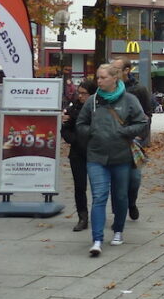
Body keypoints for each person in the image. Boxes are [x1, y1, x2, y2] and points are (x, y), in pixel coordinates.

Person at [77, 64, 148, 255]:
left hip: (121, 156)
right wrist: (91, 132)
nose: (98, 81)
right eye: (97, 78)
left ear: (114, 78)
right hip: (96, 156)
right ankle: (97, 240)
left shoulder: (129, 100)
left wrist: (124, 132)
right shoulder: (92, 101)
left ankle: (118, 230)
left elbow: (142, 121)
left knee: (121, 196)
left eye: (102, 77)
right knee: (99, 196)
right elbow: (80, 123)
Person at [118, 60, 152, 221]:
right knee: (115, 179)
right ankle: (119, 213)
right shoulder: (109, 88)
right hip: (114, 140)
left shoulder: (139, 90)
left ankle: (131, 202)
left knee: (134, 178)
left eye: (117, 69)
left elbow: (147, 114)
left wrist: (140, 137)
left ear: (127, 70)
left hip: (134, 140)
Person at [61, 78, 95, 232]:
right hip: (77, 152)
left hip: (95, 152)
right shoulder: (72, 108)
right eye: (79, 93)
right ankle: (83, 216)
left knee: (98, 187)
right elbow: (65, 129)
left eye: (84, 93)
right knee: (79, 186)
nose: (80, 96)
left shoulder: (97, 108)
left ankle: (97, 214)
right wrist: (74, 140)